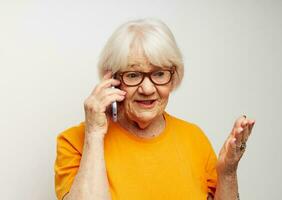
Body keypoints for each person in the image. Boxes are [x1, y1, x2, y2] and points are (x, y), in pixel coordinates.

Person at [54, 18, 255, 200]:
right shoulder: (76, 141)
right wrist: (95, 134)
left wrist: (228, 172)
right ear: (112, 81)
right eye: (133, 75)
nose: (147, 89)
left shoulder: (193, 138)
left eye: (159, 74)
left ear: (173, 77)